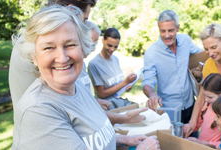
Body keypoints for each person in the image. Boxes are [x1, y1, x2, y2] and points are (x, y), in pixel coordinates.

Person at [11, 5, 160, 150]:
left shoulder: (77, 87)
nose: (62, 58)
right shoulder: (37, 111)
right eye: (49, 47)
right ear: (34, 57)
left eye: (70, 44)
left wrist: (122, 139)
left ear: (83, 49)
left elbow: (91, 139)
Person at [142, 10, 202, 124]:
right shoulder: (151, 53)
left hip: (190, 105)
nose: (167, 35)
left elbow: (202, 57)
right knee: (173, 141)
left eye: (170, 30)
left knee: (194, 140)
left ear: (178, 28)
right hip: (169, 110)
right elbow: (147, 83)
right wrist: (152, 94)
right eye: (162, 31)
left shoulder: (186, 41)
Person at [88, 28, 137, 101]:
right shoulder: (94, 64)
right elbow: (102, 94)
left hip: (118, 102)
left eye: (115, 46)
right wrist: (125, 82)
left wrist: (125, 87)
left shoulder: (115, 59)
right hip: (106, 107)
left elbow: (117, 85)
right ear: (103, 40)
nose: (112, 49)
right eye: (109, 45)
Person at [185, 73, 221, 148]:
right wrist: (188, 127)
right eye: (204, 96)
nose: (206, 99)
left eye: (210, 97)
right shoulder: (207, 105)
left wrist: (201, 142)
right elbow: (197, 125)